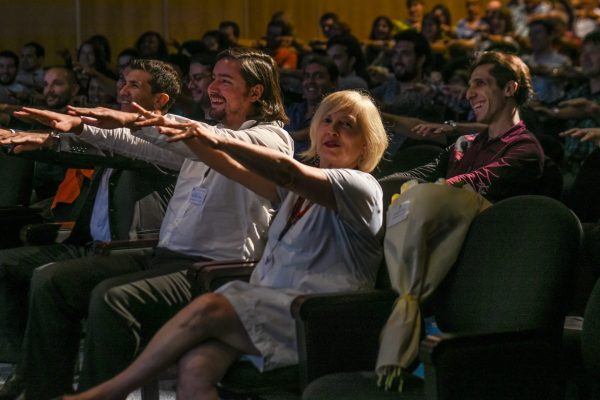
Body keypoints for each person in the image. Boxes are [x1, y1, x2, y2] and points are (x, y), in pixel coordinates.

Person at [3, 47, 293, 399]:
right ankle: (43, 392)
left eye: (224, 80)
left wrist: (139, 121)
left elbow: (224, 141)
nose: (212, 87)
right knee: (52, 280)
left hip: (216, 270)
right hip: (165, 256)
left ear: (256, 91)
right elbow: (136, 145)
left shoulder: (270, 138)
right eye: (212, 78)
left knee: (111, 298)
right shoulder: (202, 135)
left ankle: (96, 395)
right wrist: (82, 126)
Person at [65, 88, 388, 400]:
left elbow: (287, 171)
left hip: (320, 319)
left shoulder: (360, 186)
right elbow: (227, 166)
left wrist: (217, 137)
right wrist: (155, 127)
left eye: (347, 125)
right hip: (272, 308)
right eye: (328, 121)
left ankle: (112, 390)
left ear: (366, 144)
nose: (333, 131)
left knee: (210, 307)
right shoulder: (300, 193)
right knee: (195, 368)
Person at [0, 58, 183, 399]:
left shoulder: (170, 144)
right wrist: (20, 138)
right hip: (86, 242)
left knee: (51, 279)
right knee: (7, 264)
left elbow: (103, 151)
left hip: (126, 251)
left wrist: (45, 141)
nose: (123, 90)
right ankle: (23, 367)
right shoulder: (111, 135)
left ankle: (37, 379)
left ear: (160, 101)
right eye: (123, 82)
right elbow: (91, 147)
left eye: (134, 85)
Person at [382, 51, 544, 203]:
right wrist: (376, 186)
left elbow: (472, 182)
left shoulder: (525, 149)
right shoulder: (465, 144)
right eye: (470, 85)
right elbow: (417, 176)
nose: (469, 94)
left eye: (480, 83)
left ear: (509, 89)